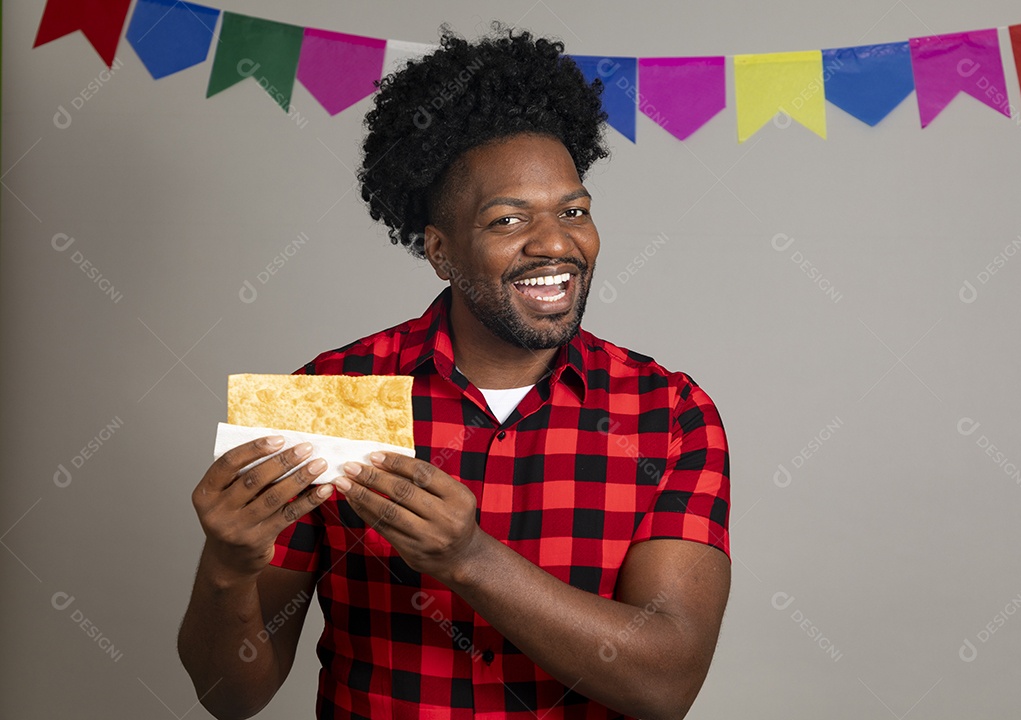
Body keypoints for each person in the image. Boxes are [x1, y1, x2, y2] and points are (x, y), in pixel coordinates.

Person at [178, 25, 731, 720]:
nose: (556, 243)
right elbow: (230, 696)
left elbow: (666, 683)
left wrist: (469, 558)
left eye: (574, 211)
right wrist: (227, 565)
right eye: (507, 220)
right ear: (440, 252)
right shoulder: (326, 398)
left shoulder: (668, 414)